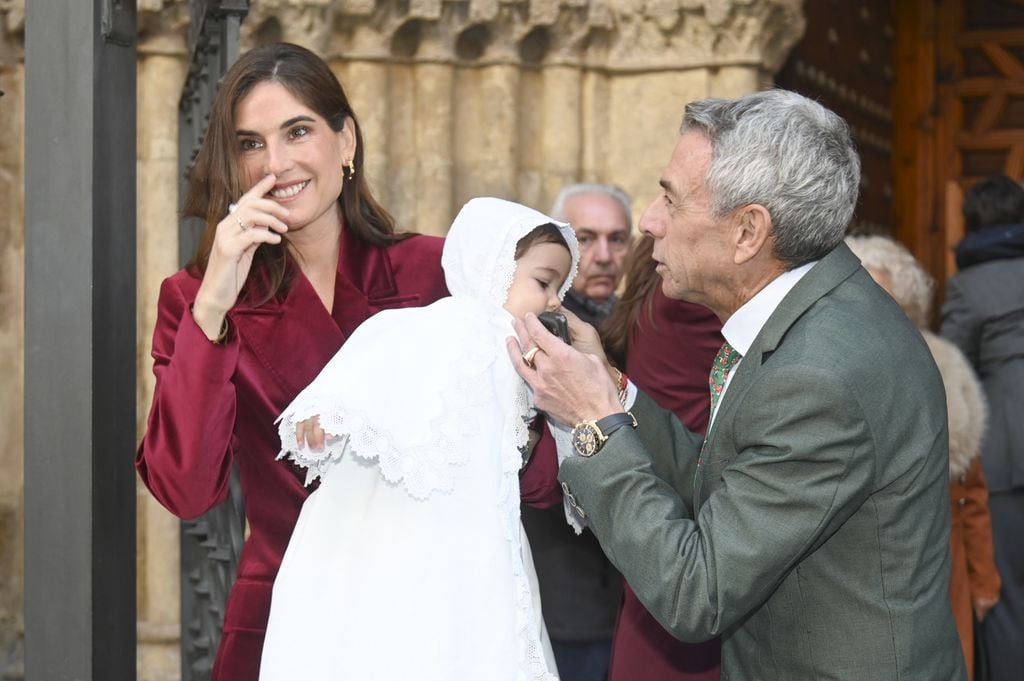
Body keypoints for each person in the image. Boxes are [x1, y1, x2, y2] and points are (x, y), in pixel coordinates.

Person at [506, 89, 965, 679]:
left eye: (671, 199)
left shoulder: (820, 372)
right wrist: (613, 390)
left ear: (748, 231)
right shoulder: (812, 315)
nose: (650, 221)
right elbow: (723, 483)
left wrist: (593, 423)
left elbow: (694, 593)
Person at [135, 44, 559, 681]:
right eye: (251, 144)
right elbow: (185, 488)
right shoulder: (195, 300)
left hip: (436, 625)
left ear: (346, 141)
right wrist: (214, 303)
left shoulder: (438, 272)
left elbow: (540, 478)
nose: (276, 164)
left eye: (297, 132)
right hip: (286, 622)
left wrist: (515, 428)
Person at [258, 197, 577, 680]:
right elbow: (372, 364)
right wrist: (330, 412)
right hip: (410, 532)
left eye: (559, 289)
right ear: (490, 267)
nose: (555, 302)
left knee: (474, 634)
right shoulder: (429, 325)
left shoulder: (522, 357)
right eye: (543, 282)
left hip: (477, 532)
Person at [848, 234, 1001, 680]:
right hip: (856, 587)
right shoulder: (823, 376)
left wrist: (983, 581)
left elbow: (971, 494)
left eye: (887, 303)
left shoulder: (943, 373)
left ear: (909, 311)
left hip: (938, 577)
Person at [521, 183, 631, 681]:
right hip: (558, 586)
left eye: (617, 238)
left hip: (634, 593)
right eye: (585, 239)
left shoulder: (648, 324)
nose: (603, 256)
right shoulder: (529, 332)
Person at [601, 235, 724, 681]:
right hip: (689, 518)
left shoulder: (661, 276)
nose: (649, 219)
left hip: (660, 517)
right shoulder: (692, 300)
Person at [941, 173, 1024, 680]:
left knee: (1008, 596)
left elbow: (952, 371)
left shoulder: (967, 287)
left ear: (970, 225)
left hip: (1004, 458)